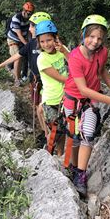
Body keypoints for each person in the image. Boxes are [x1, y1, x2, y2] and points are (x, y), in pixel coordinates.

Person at [63, 14, 110, 196]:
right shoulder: (75, 57)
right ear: (83, 34)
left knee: (88, 135)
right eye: (91, 36)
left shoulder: (103, 52)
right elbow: (82, 89)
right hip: (73, 101)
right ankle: (74, 167)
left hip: (91, 101)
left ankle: (80, 175)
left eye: (99, 38)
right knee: (74, 137)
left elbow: (102, 69)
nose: (95, 41)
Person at [0, 12, 51, 133]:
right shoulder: (31, 44)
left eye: (32, 26)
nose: (29, 28)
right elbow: (17, 56)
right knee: (38, 107)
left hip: (48, 81)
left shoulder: (50, 45)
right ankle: (46, 133)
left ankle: (50, 132)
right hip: (35, 80)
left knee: (44, 107)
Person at [36, 20, 69, 156]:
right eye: (42, 42)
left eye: (49, 40)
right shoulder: (42, 59)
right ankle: (48, 156)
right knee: (55, 132)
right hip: (51, 101)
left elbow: (74, 60)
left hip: (65, 98)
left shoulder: (61, 50)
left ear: (55, 38)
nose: (46, 44)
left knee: (63, 132)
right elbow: (61, 78)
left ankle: (60, 155)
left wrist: (64, 50)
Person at [6, 1, 35, 86]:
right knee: (17, 57)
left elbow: (30, 31)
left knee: (25, 55)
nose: (30, 15)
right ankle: (17, 80)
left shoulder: (30, 18)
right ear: (24, 11)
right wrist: (27, 45)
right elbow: (19, 34)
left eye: (31, 13)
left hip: (23, 38)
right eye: (29, 13)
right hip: (13, 39)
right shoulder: (16, 18)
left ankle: (23, 75)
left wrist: (31, 41)